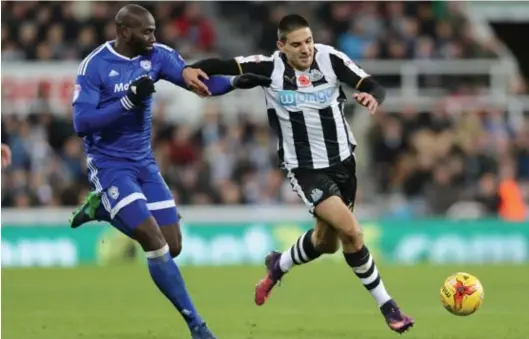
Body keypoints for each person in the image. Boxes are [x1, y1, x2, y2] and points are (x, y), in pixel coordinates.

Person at [187, 14, 414, 334]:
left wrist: (371, 96)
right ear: (282, 47)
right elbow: (223, 65)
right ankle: (389, 307)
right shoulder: (269, 67)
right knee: (352, 232)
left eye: (308, 41)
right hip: (305, 169)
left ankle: (277, 265)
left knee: (327, 243)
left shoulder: (330, 58)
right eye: (296, 44)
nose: (305, 49)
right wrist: (190, 69)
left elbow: (371, 84)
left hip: (343, 163)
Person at [69, 4, 270, 339]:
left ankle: (103, 209)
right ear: (124, 32)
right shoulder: (94, 67)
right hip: (109, 164)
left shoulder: (158, 56)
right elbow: (81, 123)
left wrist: (236, 81)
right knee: (152, 240)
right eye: (146, 32)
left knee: (172, 245)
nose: (153, 37)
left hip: (144, 163)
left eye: (154, 30)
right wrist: (127, 103)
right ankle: (197, 326)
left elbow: (198, 81)